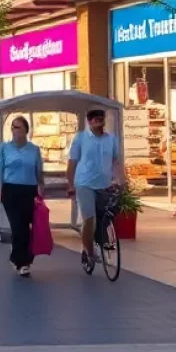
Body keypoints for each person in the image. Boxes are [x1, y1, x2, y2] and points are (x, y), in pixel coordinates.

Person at [66, 107, 124, 270]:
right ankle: (89, 252)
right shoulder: (81, 139)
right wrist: (70, 184)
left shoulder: (111, 139)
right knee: (89, 219)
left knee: (106, 216)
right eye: (96, 119)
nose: (100, 121)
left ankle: (100, 238)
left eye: (101, 118)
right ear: (89, 121)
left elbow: (116, 162)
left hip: (104, 184)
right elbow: (72, 162)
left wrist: (121, 180)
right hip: (84, 184)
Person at [0, 116, 44, 276]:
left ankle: (25, 259)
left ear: (25, 131)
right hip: (11, 191)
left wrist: (41, 189)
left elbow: (39, 171)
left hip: (29, 191)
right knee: (18, 227)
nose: (15, 130)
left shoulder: (34, 150)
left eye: (18, 127)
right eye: (13, 127)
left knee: (30, 228)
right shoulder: (4, 148)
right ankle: (19, 261)